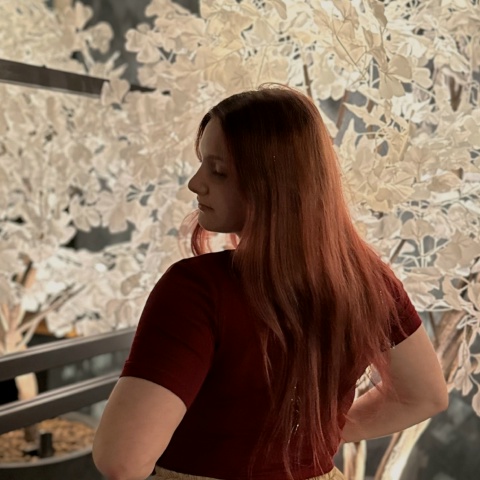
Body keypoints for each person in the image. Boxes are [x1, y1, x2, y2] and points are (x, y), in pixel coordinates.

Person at [92, 85, 448, 480]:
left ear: (272, 183)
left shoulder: (197, 289)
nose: (195, 183)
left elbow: (122, 460)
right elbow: (424, 396)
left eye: (218, 170)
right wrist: (312, 439)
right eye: (201, 164)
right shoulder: (368, 282)